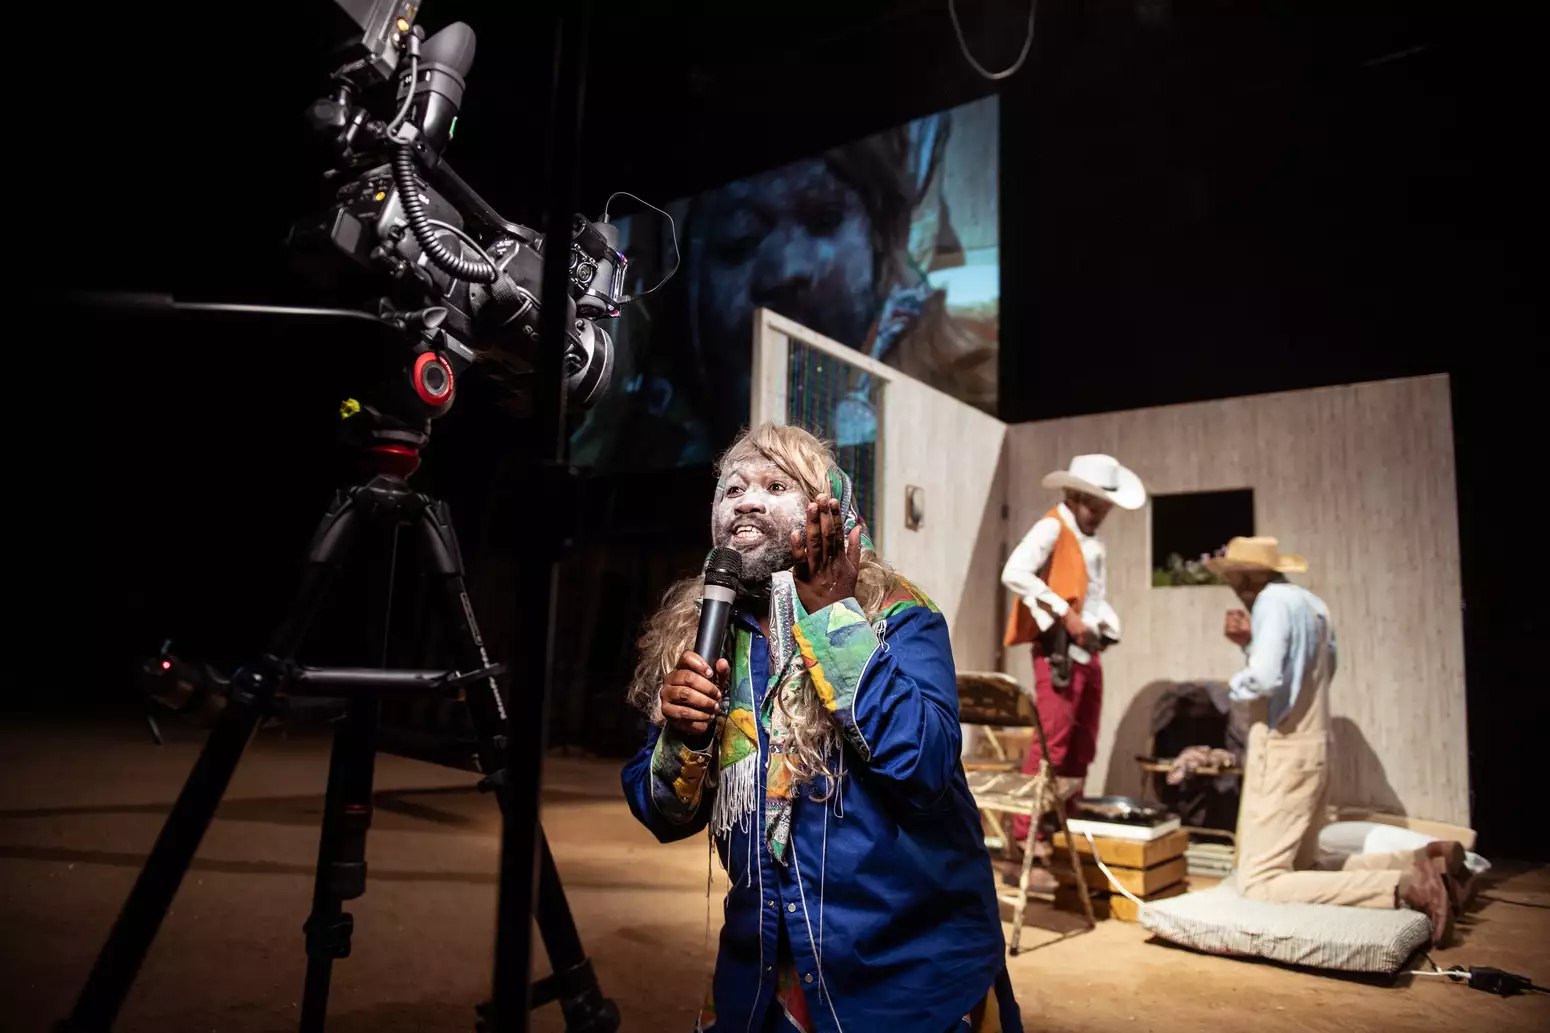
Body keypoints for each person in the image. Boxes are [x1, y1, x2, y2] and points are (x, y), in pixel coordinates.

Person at [621, 424, 1019, 1033]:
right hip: (765, 982)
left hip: (905, 978)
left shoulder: (896, 614)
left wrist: (834, 615)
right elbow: (663, 814)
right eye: (732, 489)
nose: (747, 502)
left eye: (775, 486)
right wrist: (686, 736)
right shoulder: (703, 632)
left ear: (826, 512)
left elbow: (926, 764)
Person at [1207, 536, 1463, 942]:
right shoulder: (1313, 604)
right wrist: (1250, 644)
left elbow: (1267, 677)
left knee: (1258, 880)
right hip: (1316, 745)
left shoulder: (1270, 602)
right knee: (1302, 867)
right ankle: (1427, 860)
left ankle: (1406, 885)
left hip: (1283, 748)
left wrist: (1233, 687)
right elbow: (1326, 669)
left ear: (1245, 577)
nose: (1233, 588)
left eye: (1233, 579)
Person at [1000, 454, 1147, 846]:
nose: (1100, 515)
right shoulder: (1053, 525)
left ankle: (1064, 825)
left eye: (1104, 507)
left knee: (1082, 743)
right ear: (1076, 496)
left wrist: (1101, 625)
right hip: (1059, 651)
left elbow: (1090, 593)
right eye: (1095, 506)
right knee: (1053, 741)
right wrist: (1065, 614)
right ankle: (1026, 834)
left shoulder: (1088, 538)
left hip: (1085, 651)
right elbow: (1014, 572)